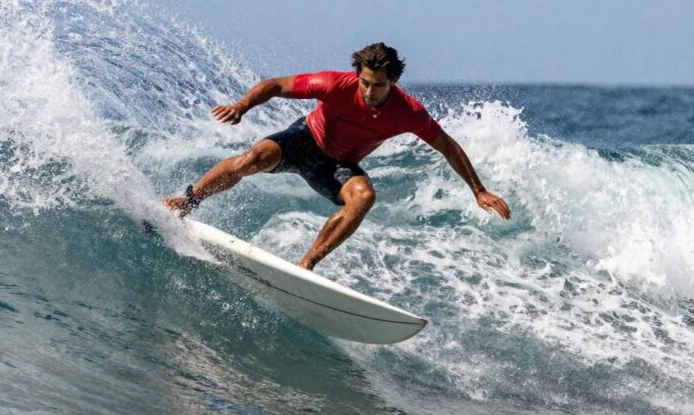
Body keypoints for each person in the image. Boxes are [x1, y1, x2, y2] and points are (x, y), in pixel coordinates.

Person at [164, 42, 511, 270]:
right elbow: (275, 85)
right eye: (364, 83)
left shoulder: (409, 112)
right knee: (250, 159)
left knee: (364, 197)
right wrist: (241, 107)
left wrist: (478, 190)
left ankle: (306, 265)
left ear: (394, 82)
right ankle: (186, 201)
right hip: (304, 140)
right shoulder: (334, 84)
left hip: (337, 165)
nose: (369, 91)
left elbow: (448, 146)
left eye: (378, 85)